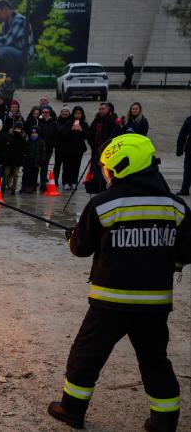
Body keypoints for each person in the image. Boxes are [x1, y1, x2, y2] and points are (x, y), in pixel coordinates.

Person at [49, 133, 190, 432]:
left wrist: (72, 236)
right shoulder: (175, 207)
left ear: (122, 166)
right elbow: (187, 250)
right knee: (155, 361)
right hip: (154, 305)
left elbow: (80, 248)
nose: (106, 172)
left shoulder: (104, 204)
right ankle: (165, 420)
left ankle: (71, 409)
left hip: (110, 302)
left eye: (108, 167)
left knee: (86, 355)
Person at [58, 106, 89, 190]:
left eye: (79, 114)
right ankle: (66, 182)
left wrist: (81, 130)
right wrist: (71, 130)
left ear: (82, 114)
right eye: (76, 113)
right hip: (68, 148)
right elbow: (63, 134)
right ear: (73, 114)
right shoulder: (69, 122)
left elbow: (87, 135)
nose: (77, 115)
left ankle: (74, 182)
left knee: (76, 165)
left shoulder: (84, 123)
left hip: (79, 149)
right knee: (67, 166)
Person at [20, 126, 46, 194]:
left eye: (35, 133)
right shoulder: (28, 141)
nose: (34, 134)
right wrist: (23, 159)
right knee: (26, 174)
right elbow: (24, 151)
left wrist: (41, 161)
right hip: (28, 160)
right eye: (32, 133)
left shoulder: (41, 142)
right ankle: (24, 187)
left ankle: (32, 187)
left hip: (36, 161)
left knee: (34, 174)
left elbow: (43, 152)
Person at [3, 122, 25, 195]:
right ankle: (3, 186)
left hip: (18, 159)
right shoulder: (8, 136)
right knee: (6, 173)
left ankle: (13, 188)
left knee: (15, 174)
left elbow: (23, 149)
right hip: (8, 159)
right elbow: (6, 148)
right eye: (16, 128)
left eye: (19, 128)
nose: (17, 130)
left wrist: (22, 158)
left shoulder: (22, 138)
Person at [177, 115, 191, 196]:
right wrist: (179, 149)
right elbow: (182, 134)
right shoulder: (189, 119)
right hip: (190, 150)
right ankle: (185, 190)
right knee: (187, 171)